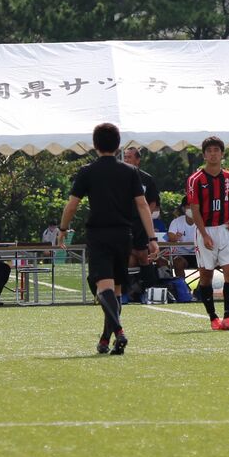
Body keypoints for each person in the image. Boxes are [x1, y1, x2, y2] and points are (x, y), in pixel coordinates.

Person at [59, 122, 159, 354]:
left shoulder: (87, 171)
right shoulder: (130, 172)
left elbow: (72, 205)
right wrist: (152, 237)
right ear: (118, 145)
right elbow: (143, 205)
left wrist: (63, 229)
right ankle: (106, 340)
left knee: (102, 287)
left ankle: (120, 331)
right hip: (124, 235)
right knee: (115, 291)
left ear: (95, 145)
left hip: (99, 234)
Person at [186, 136, 229, 330]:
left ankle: (228, 317)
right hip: (206, 231)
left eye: (216, 150)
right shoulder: (195, 180)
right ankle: (213, 317)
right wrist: (204, 234)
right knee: (206, 277)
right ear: (204, 155)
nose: (213, 153)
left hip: (227, 230)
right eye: (209, 150)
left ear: (222, 154)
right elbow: (194, 209)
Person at [123, 145, 161, 300]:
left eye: (129, 157)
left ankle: (147, 288)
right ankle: (127, 291)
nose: (126, 160)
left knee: (144, 256)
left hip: (142, 225)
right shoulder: (119, 177)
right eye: (124, 157)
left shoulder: (146, 179)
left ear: (138, 160)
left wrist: (146, 219)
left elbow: (153, 202)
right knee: (128, 258)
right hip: (124, 224)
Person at [166, 201, 197, 278]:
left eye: (194, 205)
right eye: (189, 206)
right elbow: (171, 236)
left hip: (199, 253)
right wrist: (174, 237)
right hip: (181, 254)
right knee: (178, 262)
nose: (192, 208)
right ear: (183, 208)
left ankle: (201, 287)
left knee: (207, 263)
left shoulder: (203, 221)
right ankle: (182, 286)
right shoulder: (176, 221)